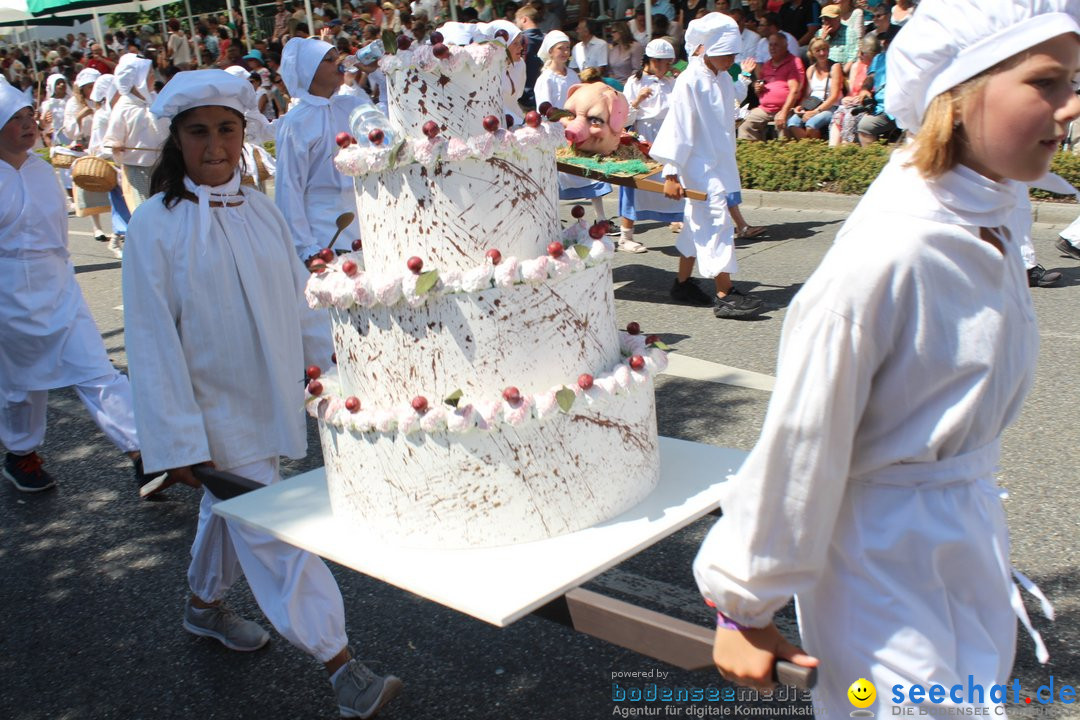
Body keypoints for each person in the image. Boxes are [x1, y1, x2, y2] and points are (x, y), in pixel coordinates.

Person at [693, 0, 1080, 714]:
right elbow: (803, 442)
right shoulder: (891, 253)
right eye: (1047, 82)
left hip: (958, 542)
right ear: (959, 98)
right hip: (881, 570)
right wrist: (743, 603)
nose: (1070, 107)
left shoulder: (986, 219)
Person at [122, 68, 403, 719]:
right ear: (176, 141)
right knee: (275, 529)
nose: (214, 145)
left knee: (235, 512)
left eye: (226, 129)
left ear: (244, 134)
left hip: (264, 398)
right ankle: (340, 665)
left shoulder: (263, 213)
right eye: (199, 132)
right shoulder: (154, 228)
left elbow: (298, 307)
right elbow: (151, 340)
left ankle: (202, 607)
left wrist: (334, 370)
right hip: (209, 412)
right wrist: (176, 441)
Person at [0, 83, 163, 496]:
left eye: (27, 117)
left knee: (96, 369)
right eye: (14, 120)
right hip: (7, 294)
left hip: (57, 286)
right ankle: (21, 452)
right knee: (21, 385)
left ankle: (145, 453)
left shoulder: (40, 169)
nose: (27, 126)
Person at [652, 13, 767, 318]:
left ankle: (682, 283)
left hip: (719, 162)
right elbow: (678, 127)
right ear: (710, 48)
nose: (731, 58)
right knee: (717, 223)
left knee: (695, 224)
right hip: (698, 165)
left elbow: (726, 113)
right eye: (727, 53)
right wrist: (672, 172)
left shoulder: (722, 77)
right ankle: (724, 294)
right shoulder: (689, 80)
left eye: (733, 53)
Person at [274, 37, 367, 264]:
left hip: (364, 215)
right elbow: (289, 188)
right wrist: (306, 247)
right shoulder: (296, 121)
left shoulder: (352, 105)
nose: (339, 63)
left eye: (338, 57)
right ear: (309, 71)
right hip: (322, 228)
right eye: (329, 59)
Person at [617, 39, 680, 255]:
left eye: (668, 63)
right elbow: (623, 117)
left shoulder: (672, 82)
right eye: (660, 62)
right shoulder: (635, 82)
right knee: (637, 183)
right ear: (650, 61)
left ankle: (674, 219)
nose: (665, 67)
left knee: (671, 178)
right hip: (644, 135)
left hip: (668, 134)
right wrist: (638, 100)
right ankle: (626, 236)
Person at [103, 53, 170, 215]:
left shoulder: (157, 100)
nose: (154, 76)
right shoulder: (123, 108)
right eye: (149, 74)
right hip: (139, 170)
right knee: (147, 213)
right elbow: (111, 141)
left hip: (165, 165)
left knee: (170, 209)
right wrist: (116, 147)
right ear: (137, 80)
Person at [88, 73, 132, 258]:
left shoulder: (122, 109)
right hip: (112, 166)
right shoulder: (102, 117)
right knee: (124, 203)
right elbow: (97, 147)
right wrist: (114, 147)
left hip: (127, 162)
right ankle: (119, 238)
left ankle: (119, 238)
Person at [738, 31, 803, 141]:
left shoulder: (794, 62)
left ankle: (784, 156)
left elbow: (795, 91)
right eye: (770, 45)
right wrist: (758, 88)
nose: (772, 48)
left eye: (776, 45)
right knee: (745, 123)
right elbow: (759, 85)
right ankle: (752, 155)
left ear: (785, 46)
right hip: (765, 109)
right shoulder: (767, 64)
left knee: (781, 124)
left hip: (785, 108)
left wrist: (784, 112)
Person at [784, 37, 842, 140]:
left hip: (831, 106)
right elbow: (807, 95)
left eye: (824, 49)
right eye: (818, 50)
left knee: (811, 124)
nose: (822, 53)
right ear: (812, 53)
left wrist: (816, 111)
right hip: (813, 105)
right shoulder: (811, 70)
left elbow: (834, 96)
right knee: (792, 123)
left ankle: (815, 150)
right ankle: (809, 148)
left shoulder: (835, 67)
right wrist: (801, 107)